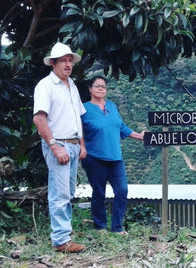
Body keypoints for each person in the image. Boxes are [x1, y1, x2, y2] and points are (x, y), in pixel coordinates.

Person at [33, 42, 87, 253]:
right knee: (60, 194)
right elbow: (39, 119)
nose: (67, 64)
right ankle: (61, 241)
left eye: (69, 60)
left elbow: (77, 117)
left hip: (72, 145)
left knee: (68, 192)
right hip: (59, 144)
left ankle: (64, 234)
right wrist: (55, 147)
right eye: (63, 61)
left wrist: (81, 144)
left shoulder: (71, 84)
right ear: (53, 63)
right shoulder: (45, 86)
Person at [81, 76, 145, 234]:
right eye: (97, 86)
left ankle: (117, 228)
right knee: (99, 193)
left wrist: (139, 135)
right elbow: (77, 131)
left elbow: (121, 127)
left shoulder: (111, 106)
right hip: (94, 157)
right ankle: (100, 227)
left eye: (103, 86)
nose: (101, 89)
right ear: (90, 89)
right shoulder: (83, 108)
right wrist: (81, 148)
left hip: (115, 157)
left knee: (122, 191)